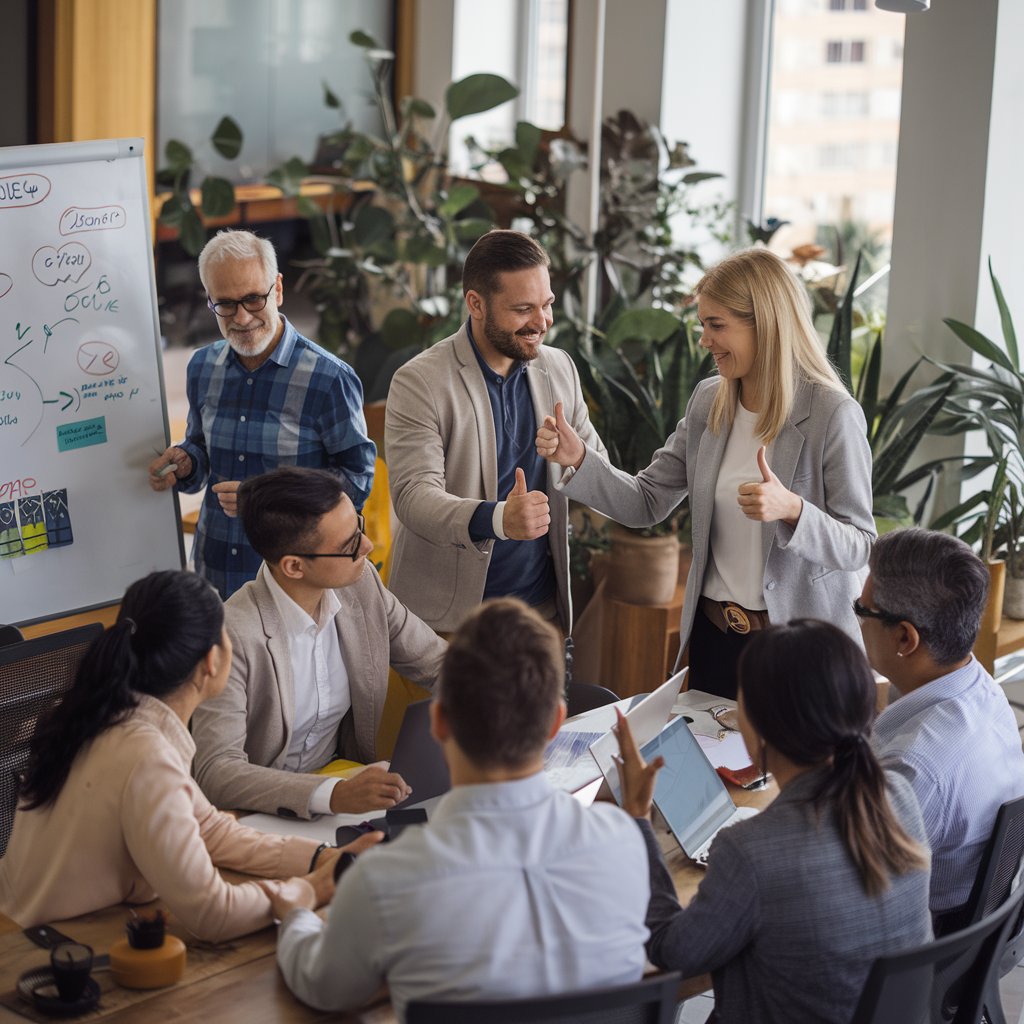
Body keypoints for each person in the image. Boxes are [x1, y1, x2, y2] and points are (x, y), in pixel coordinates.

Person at [269, 598, 651, 1020]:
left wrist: (297, 913)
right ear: (556, 723)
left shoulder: (386, 881)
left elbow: (324, 986)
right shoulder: (626, 842)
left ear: (438, 722)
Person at [537, 248, 875, 697]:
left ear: (767, 325)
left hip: (799, 655)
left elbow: (859, 546)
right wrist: (579, 459)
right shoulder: (708, 401)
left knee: (782, 772)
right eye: (703, 325)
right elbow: (645, 502)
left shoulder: (832, 414)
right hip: (717, 642)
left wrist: (793, 510)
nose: (704, 340)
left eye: (717, 326)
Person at [0, 571, 379, 942]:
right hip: (39, 952)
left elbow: (209, 829)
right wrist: (311, 889)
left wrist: (322, 858)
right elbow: (213, 913)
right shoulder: (146, 755)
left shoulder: (111, 714)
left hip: (46, 930)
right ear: (211, 662)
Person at [617, 620, 931, 1024]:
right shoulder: (898, 795)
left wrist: (639, 818)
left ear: (762, 726)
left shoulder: (750, 851)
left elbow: (670, 950)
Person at [191, 466, 447, 819]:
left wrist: (518, 707)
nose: (368, 546)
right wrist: (332, 795)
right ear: (294, 566)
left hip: (342, 787)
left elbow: (438, 662)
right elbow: (216, 770)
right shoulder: (231, 634)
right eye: (350, 545)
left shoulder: (361, 587)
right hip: (255, 815)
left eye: (358, 526)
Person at [385, 229, 606, 633]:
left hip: (538, 615)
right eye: (523, 309)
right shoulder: (420, 381)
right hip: (448, 625)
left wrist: (577, 459)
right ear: (476, 304)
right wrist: (499, 519)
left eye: (547, 304)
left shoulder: (560, 369)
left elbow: (603, 484)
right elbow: (414, 498)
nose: (542, 322)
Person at [148, 229, 376, 599]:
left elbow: (357, 479)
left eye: (253, 299)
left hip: (292, 580)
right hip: (215, 566)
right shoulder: (202, 367)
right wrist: (187, 462)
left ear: (278, 289)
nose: (241, 317)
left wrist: (268, 500)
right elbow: (201, 448)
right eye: (225, 304)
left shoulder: (329, 378)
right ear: (209, 300)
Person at [859, 527, 1024, 923]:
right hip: (967, 934)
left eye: (861, 610)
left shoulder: (915, 767)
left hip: (908, 952)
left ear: (904, 637)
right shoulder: (981, 687)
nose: (856, 621)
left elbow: (844, 893)